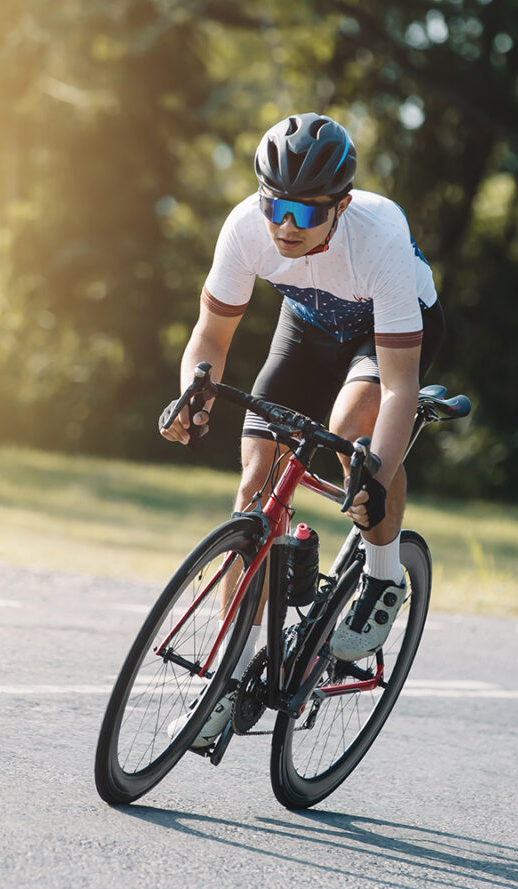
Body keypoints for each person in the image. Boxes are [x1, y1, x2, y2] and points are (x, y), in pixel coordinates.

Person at [160, 112, 445, 746]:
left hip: (386, 333)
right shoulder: (246, 227)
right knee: (254, 485)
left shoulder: (379, 236)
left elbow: (399, 387)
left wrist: (374, 473)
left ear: (341, 206)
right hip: (308, 324)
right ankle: (227, 679)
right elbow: (209, 338)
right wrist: (191, 393)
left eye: (306, 212)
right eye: (275, 205)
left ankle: (382, 576)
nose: (286, 225)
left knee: (352, 437)